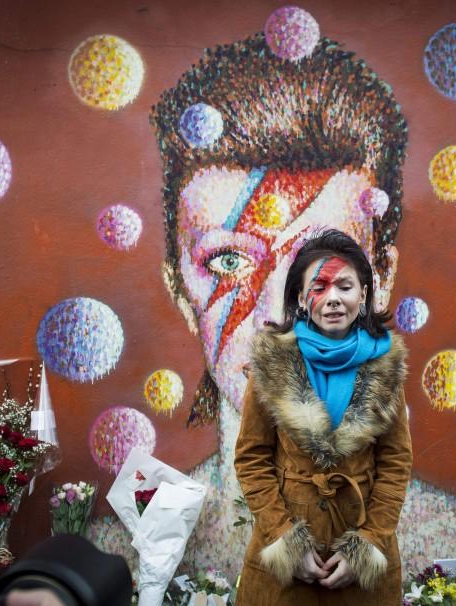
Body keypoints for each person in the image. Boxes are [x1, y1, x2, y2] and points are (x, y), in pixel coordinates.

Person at [149, 30, 408, 577]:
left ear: (379, 278)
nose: (277, 310)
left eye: (324, 267)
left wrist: (366, 549)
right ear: (179, 291)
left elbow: (395, 467)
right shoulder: (145, 542)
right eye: (228, 264)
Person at [233, 229, 412, 605]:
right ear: (301, 297)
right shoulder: (274, 363)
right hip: (286, 564)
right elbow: (252, 459)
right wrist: (286, 542)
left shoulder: (384, 366)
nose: (332, 298)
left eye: (345, 286)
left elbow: (395, 463)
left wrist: (367, 546)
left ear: (363, 295)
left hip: (362, 561)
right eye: (319, 286)